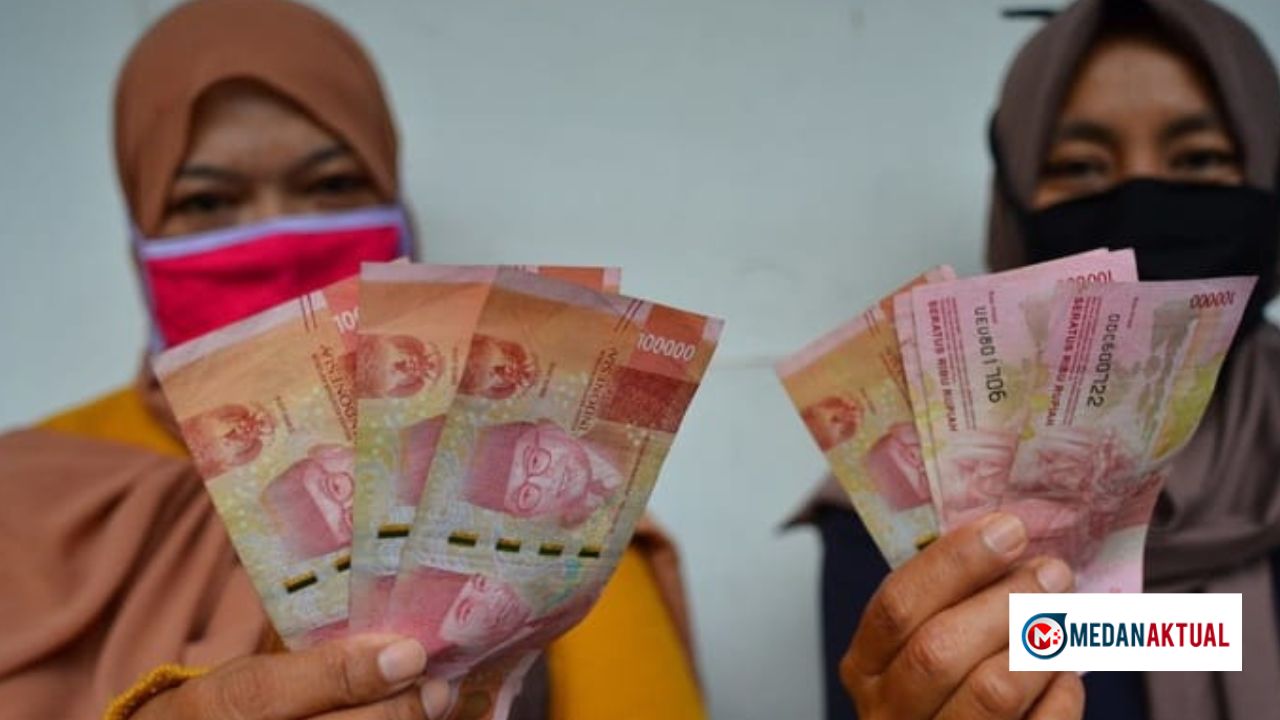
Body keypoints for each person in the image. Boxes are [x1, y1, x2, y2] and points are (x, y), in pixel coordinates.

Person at [0, 1, 704, 718]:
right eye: (207, 201)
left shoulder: (561, 519)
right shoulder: (23, 499)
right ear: (139, 241)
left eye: (332, 186)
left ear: (401, 217)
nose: (278, 234)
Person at [793, 0, 1280, 718]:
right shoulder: (907, 503)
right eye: (1079, 166)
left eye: (1199, 159)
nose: (1140, 201)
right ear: (1013, 204)